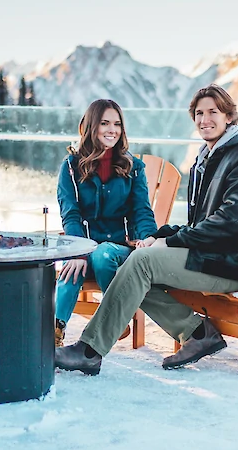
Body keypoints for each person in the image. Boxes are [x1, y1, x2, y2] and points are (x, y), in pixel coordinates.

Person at [54, 84, 238, 375]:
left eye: (213, 112)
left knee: (140, 263)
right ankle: (197, 334)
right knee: (132, 263)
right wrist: (161, 236)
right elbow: (201, 224)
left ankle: (90, 350)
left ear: (229, 117)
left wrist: (170, 241)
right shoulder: (208, 158)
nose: (204, 119)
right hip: (210, 255)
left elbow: (231, 222)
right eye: (199, 113)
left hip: (233, 262)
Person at [54, 99, 159, 347]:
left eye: (117, 124)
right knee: (71, 267)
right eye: (104, 123)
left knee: (102, 254)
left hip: (120, 249)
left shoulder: (133, 168)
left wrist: (148, 238)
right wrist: (77, 251)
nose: (112, 130)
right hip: (86, 246)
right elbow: (71, 214)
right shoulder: (70, 167)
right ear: (91, 126)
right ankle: (54, 333)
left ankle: (116, 318)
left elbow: (142, 211)